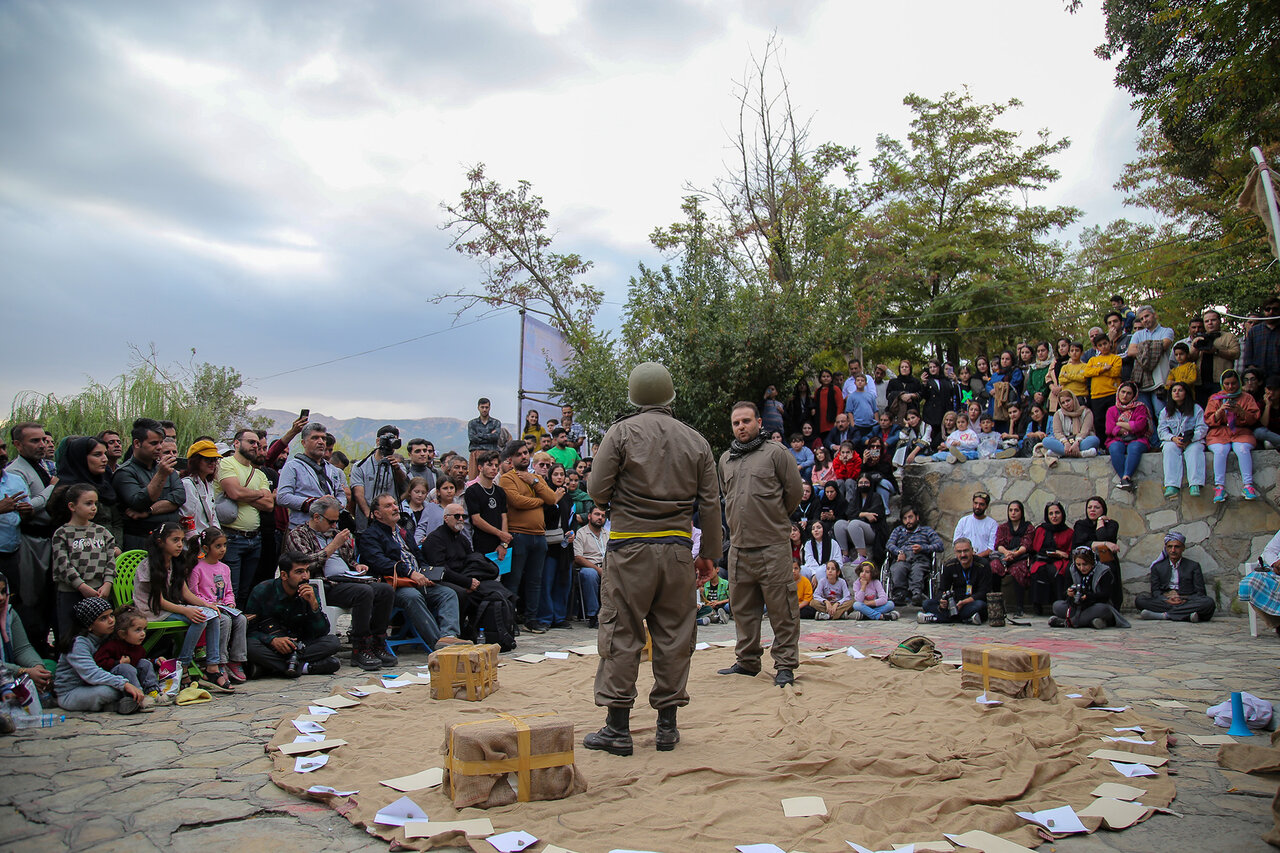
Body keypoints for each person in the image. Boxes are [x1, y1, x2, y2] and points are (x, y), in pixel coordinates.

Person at [583, 362, 722, 757]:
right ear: (670, 396)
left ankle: (618, 728)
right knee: (675, 636)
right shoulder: (696, 441)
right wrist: (709, 554)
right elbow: (711, 504)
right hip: (679, 550)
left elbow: (597, 489)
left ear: (635, 397)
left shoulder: (621, 432)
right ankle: (667, 726)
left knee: (621, 632)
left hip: (628, 550)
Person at [715, 399, 804, 688]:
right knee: (743, 610)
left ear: (759, 423)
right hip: (738, 549)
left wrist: (774, 520)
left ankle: (785, 665)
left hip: (772, 547)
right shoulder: (725, 460)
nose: (741, 426)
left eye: (746, 421)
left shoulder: (777, 454)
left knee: (783, 610)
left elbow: (793, 494)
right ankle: (747, 661)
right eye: (736, 423)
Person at [285, 496, 396, 670]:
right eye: (331, 522)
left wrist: (357, 566)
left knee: (384, 590)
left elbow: (349, 560)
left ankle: (377, 642)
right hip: (324, 584)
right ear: (316, 517)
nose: (334, 526)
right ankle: (361, 647)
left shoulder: (336, 534)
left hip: (347, 579)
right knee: (364, 593)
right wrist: (332, 546)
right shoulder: (298, 535)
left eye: (336, 521)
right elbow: (304, 565)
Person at [359, 494, 465, 651]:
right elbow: (380, 563)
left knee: (448, 593)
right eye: (388, 506)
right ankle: (438, 645)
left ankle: (449, 636)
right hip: (395, 585)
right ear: (377, 514)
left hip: (418, 580)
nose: (395, 508)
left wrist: (426, 574)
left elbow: (419, 557)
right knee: (413, 597)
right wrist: (410, 573)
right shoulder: (370, 535)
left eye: (395, 504)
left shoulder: (403, 532)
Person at [133, 522, 221, 683]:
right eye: (175, 540)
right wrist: (186, 611)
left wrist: (206, 605)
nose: (180, 545)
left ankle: (212, 666)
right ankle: (184, 665)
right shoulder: (149, 566)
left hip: (171, 608)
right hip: (152, 611)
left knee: (212, 615)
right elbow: (159, 602)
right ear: (160, 542)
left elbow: (185, 592)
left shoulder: (176, 562)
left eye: (181, 540)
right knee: (200, 619)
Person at [243, 551, 341, 677]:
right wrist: (273, 640)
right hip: (272, 645)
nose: (305, 576)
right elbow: (249, 630)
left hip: (300, 646)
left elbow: (321, 632)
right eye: (299, 572)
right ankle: (304, 668)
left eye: (307, 571)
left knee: (333, 642)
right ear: (284, 575)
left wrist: (314, 606)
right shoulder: (262, 591)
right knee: (249, 646)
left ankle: (272, 668)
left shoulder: (311, 592)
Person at [498, 441, 560, 633]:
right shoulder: (507, 479)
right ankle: (509, 620)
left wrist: (533, 482)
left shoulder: (536, 478)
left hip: (539, 536)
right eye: (519, 454)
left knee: (535, 580)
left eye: (526, 453)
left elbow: (552, 499)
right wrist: (539, 500)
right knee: (514, 580)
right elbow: (516, 501)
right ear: (511, 459)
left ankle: (531, 620)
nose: (524, 456)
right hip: (518, 535)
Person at [53, 598, 148, 713]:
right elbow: (91, 673)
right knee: (108, 692)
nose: (111, 621)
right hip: (71, 692)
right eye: (103, 618)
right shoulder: (78, 644)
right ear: (89, 625)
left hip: (94, 684)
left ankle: (123, 704)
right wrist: (124, 684)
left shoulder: (105, 635)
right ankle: (122, 704)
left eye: (111, 615)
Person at [51, 483, 117, 646]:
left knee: (101, 635)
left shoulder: (102, 532)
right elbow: (63, 565)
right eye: (88, 503)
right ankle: (68, 669)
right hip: (71, 592)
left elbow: (111, 560)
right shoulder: (62, 533)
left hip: (99, 590)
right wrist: (81, 586)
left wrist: (108, 582)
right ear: (72, 506)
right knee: (70, 635)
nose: (93, 507)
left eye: (95, 503)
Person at [215, 429, 274, 603]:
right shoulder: (226, 464)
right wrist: (257, 494)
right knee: (230, 589)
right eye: (251, 442)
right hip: (232, 537)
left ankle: (241, 628)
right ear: (237, 443)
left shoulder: (260, 474)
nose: (255, 446)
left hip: (255, 538)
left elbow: (269, 505)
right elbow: (234, 492)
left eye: (257, 443)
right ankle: (229, 627)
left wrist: (242, 494)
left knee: (245, 590)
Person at [185, 528, 249, 683]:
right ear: (206, 548)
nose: (223, 550)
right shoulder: (197, 568)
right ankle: (220, 661)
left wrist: (230, 602)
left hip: (223, 607)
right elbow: (193, 594)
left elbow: (228, 591)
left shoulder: (224, 568)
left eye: (224, 545)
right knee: (224, 621)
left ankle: (236, 659)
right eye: (218, 546)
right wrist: (209, 604)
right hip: (208, 608)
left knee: (241, 619)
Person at [276, 423, 350, 530]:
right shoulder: (292, 467)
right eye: (315, 438)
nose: (321, 442)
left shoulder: (332, 470)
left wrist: (338, 505)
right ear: (304, 442)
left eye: (323, 439)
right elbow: (282, 497)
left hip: (330, 530)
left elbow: (340, 494)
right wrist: (316, 504)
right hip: (302, 530)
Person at [1203, 369, 1262, 502]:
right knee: (1220, 451)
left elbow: (1254, 418)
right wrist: (1220, 411)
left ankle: (1248, 485)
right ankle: (1219, 488)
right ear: (1222, 384)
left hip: (1241, 432)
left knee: (1242, 449)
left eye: (1234, 383)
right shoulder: (1215, 398)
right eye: (1227, 384)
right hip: (1219, 433)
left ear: (1239, 383)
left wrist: (1241, 412)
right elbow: (1208, 419)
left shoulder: (1247, 398)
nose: (1230, 387)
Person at [56, 436, 123, 548]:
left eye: (104, 454)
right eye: (97, 455)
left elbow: (116, 521)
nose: (105, 459)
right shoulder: (66, 491)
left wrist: (115, 546)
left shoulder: (105, 485)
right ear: (80, 457)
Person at [1135, 531, 1216, 622]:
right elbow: (1155, 592)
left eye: (1176, 547)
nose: (1173, 550)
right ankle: (1186, 615)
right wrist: (1166, 599)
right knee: (1140, 600)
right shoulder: (1157, 567)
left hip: (1187, 601)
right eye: (1170, 547)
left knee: (1208, 603)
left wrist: (1183, 599)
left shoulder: (1193, 566)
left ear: (1183, 548)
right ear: (1166, 548)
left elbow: (1200, 593)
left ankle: (1165, 615)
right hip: (1166, 601)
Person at [0, 572, 52, 695]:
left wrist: (38, 668)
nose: (1, 598)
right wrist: (24, 671)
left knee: (50, 667)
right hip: (5, 674)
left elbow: (22, 649)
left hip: (10, 671)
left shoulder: (8, 613)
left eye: (3, 592)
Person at [537, 464, 576, 629]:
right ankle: (546, 617)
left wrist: (573, 531)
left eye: (562, 475)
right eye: (556, 475)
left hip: (565, 546)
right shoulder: (547, 495)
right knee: (547, 581)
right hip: (549, 545)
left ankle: (559, 617)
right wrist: (555, 499)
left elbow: (571, 518)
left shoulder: (568, 497)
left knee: (563, 581)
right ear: (550, 477)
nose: (559, 478)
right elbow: (544, 516)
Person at [918, 538, 991, 625]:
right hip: (955, 603)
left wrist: (964, 602)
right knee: (927, 603)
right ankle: (966, 619)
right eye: (959, 552)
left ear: (972, 551)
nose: (963, 555)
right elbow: (942, 589)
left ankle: (936, 618)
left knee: (980, 605)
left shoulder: (982, 565)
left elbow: (984, 592)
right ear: (955, 552)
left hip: (971, 601)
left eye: (966, 551)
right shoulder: (949, 565)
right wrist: (942, 601)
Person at [886, 506, 945, 606]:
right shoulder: (898, 530)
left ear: (917, 517)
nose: (908, 521)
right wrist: (899, 552)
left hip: (920, 558)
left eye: (910, 517)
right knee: (898, 569)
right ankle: (900, 594)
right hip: (903, 558)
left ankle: (917, 594)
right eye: (905, 518)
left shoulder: (926, 531)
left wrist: (923, 548)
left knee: (917, 570)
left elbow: (939, 545)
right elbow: (889, 544)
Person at [1158, 381, 1208, 498]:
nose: (1177, 393)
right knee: (1169, 449)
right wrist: (1173, 438)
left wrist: (1191, 439)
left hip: (1192, 441)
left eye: (1180, 390)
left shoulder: (1196, 409)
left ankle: (1195, 484)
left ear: (1186, 393)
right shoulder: (1165, 411)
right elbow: (1162, 430)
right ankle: (1172, 485)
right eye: (1174, 391)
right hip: (1174, 441)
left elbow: (1202, 428)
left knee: (1194, 451)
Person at [351, 426, 406, 530]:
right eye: (387, 440)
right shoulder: (360, 466)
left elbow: (404, 484)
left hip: (390, 522)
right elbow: (358, 494)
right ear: (378, 441)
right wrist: (369, 514)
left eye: (393, 440)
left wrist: (396, 469)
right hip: (366, 523)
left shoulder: (399, 466)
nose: (390, 444)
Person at [991, 500, 1034, 618]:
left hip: (1019, 557)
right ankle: (996, 604)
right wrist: (1006, 553)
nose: (1013, 513)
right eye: (1011, 510)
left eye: (1016, 510)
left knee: (1018, 570)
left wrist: (1014, 554)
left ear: (1021, 512)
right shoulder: (1003, 527)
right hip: (1004, 556)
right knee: (994, 566)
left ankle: (1019, 607)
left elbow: (1026, 544)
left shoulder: (1028, 527)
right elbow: (998, 544)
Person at [1105, 381, 1151, 491]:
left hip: (1138, 438)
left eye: (1129, 393)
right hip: (1117, 439)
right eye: (1123, 392)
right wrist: (1130, 426)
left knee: (1134, 447)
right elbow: (1109, 429)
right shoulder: (1112, 410)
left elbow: (1140, 426)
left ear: (1134, 395)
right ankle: (1125, 480)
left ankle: (1126, 477)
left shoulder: (1140, 408)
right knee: (1115, 448)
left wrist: (1119, 424)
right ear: (1118, 393)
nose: (1125, 396)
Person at [1029, 502, 1074, 610]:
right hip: (1042, 559)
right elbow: (1036, 548)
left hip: (1060, 561)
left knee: (1058, 572)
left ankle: (1059, 603)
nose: (1054, 516)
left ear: (1062, 514)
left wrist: (1060, 554)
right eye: (1051, 514)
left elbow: (1068, 552)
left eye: (1057, 513)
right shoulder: (1041, 530)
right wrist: (1055, 551)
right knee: (1038, 569)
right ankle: (1037, 605)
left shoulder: (1069, 532)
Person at [833, 475, 885, 564]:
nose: (863, 485)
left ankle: (862, 556)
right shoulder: (855, 497)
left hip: (872, 530)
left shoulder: (876, 497)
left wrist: (857, 516)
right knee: (839, 524)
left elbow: (874, 516)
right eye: (860, 483)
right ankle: (845, 555)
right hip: (854, 530)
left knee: (854, 523)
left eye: (866, 483)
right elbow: (849, 512)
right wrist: (864, 514)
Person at [1042, 388, 1100, 464]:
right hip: (1065, 442)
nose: (1066, 404)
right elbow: (1057, 432)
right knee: (1046, 441)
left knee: (1094, 440)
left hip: (1081, 441)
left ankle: (1061, 454)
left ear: (1074, 399)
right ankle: (1081, 454)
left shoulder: (1086, 412)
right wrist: (1066, 443)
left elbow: (1085, 431)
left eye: (1068, 400)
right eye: (1063, 402)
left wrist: (1076, 443)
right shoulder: (1058, 414)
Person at [571, 505, 607, 628]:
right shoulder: (581, 533)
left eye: (603, 516)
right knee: (589, 574)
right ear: (590, 516)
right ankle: (594, 615)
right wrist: (597, 569)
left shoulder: (608, 534)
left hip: (607, 566)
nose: (600, 518)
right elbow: (578, 558)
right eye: (597, 514)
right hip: (590, 566)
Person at [1239, 530, 1280, 636]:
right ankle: (1277, 623)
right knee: (1250, 584)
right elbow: (1269, 551)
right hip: (1276, 572)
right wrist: (1274, 563)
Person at [1083, 334, 1123, 439]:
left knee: (1114, 419)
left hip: (1112, 393)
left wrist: (1096, 371)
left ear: (1110, 343)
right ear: (1097, 347)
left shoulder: (1116, 358)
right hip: (1096, 395)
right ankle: (1102, 444)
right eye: (1100, 345)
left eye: (1105, 343)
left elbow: (1115, 372)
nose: (1103, 346)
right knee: (1099, 420)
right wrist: (1103, 369)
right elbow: (1087, 373)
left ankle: (1116, 440)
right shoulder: (1092, 360)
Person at [1241, 296, 1280, 381]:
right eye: (1268, 309)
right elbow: (1248, 358)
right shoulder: (1254, 331)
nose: (1271, 312)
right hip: (1259, 379)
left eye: (1275, 309)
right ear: (1263, 311)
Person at [953, 491, 997, 559]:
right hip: (963, 558)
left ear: (986, 506)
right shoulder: (963, 521)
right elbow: (956, 542)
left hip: (984, 560)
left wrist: (975, 557)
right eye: (975, 503)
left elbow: (991, 548)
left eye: (981, 504)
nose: (977, 507)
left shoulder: (992, 524)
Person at [467, 398, 503, 478]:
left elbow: (495, 437)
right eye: (482, 407)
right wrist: (489, 435)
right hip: (476, 454)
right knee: (473, 479)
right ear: (478, 408)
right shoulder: (472, 423)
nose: (484, 409)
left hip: (492, 453)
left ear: (489, 408)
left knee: (494, 478)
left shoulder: (496, 422)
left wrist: (479, 435)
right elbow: (472, 438)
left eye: (486, 407)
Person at [799, 520, 841, 586]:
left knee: (821, 570)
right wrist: (815, 573)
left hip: (828, 570)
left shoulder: (833, 543)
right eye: (813, 529)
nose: (816, 530)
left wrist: (819, 572)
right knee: (802, 569)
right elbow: (809, 560)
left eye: (818, 528)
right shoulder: (808, 544)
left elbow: (837, 560)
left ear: (823, 529)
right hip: (812, 569)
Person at [814, 369, 843, 435]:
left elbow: (840, 405)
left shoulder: (835, 389)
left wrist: (838, 420)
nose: (826, 378)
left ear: (831, 378)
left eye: (828, 376)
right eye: (823, 377)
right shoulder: (818, 391)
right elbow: (815, 403)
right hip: (821, 422)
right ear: (820, 379)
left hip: (832, 421)